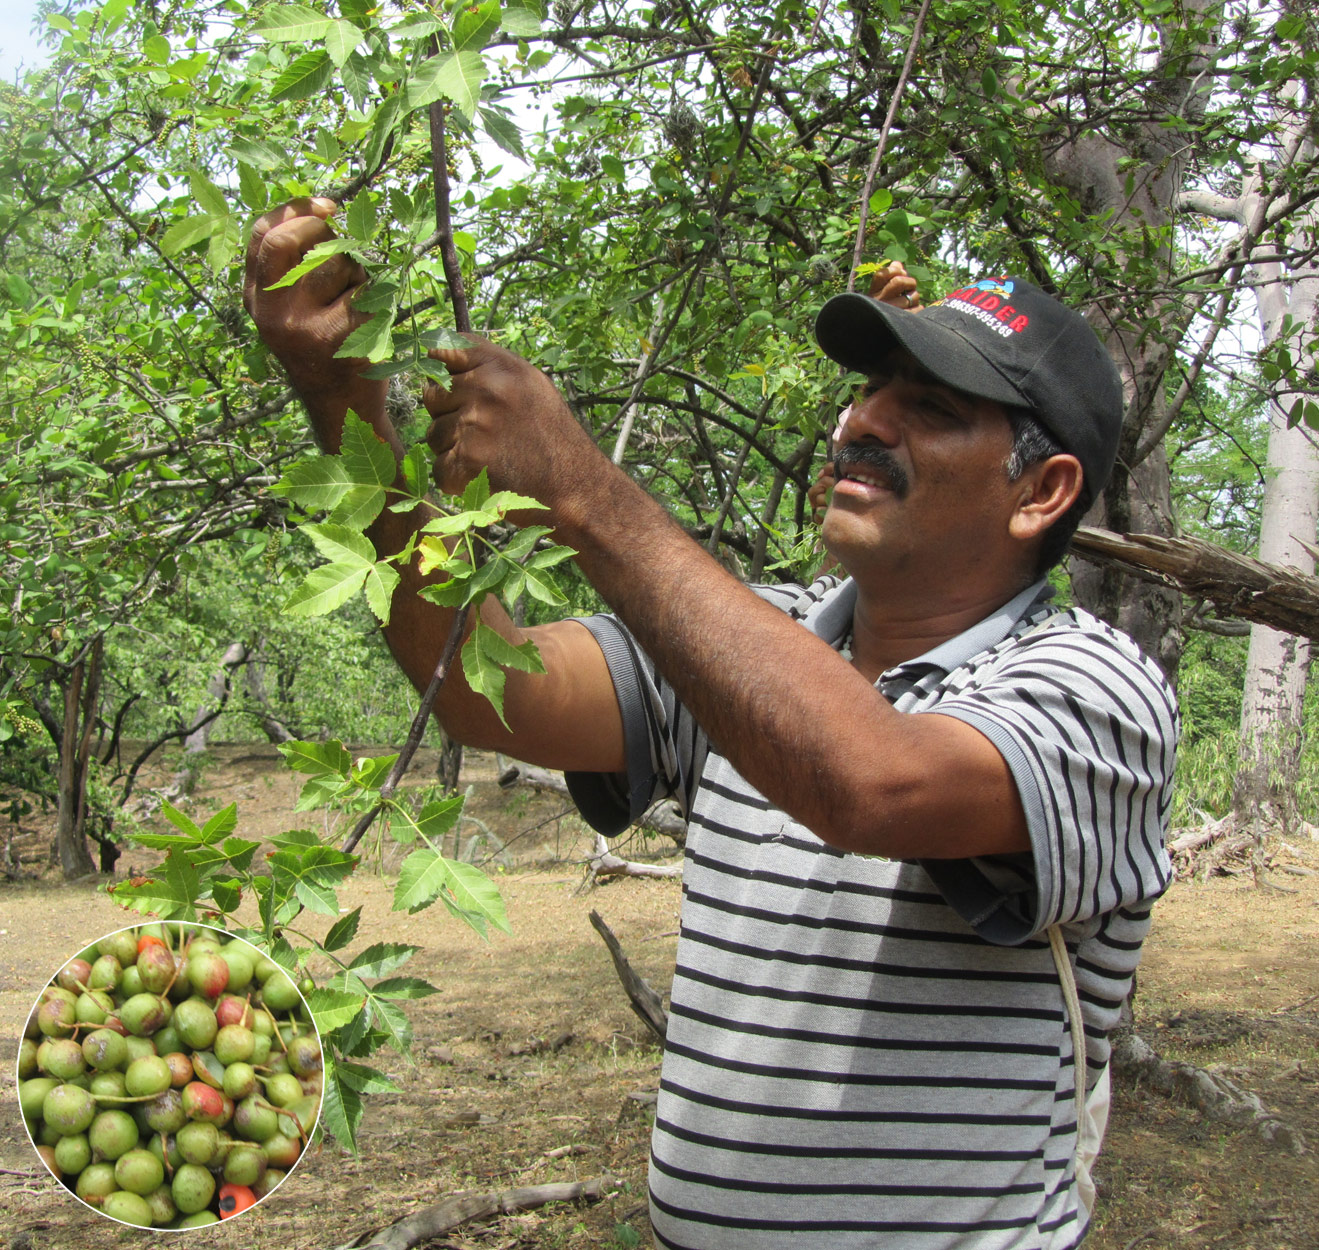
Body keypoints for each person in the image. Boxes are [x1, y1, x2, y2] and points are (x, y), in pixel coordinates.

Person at [245, 201, 1178, 1250]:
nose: (862, 422)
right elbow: (480, 691)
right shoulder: (751, 641)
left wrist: (585, 491)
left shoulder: (1097, 689)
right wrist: (345, 399)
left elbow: (871, 784)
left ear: (1039, 491)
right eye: (869, 389)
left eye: (929, 406)